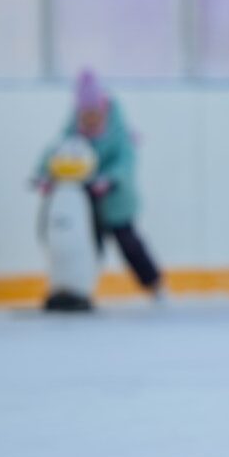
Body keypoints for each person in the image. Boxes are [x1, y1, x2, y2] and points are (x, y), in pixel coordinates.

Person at [35, 70, 165, 302]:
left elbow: (126, 161)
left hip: (116, 202)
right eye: (85, 114)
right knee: (85, 246)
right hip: (86, 203)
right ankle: (78, 288)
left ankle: (154, 285)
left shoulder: (118, 131)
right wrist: (44, 175)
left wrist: (110, 178)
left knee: (129, 244)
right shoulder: (74, 127)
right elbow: (56, 151)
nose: (89, 118)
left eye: (93, 113)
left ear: (102, 108)